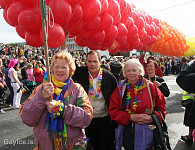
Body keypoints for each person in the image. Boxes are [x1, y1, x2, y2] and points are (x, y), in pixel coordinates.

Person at [20, 51, 93, 150]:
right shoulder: (42, 88)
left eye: (64, 67)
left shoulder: (77, 89)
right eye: (57, 67)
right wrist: (41, 97)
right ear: (52, 68)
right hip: (44, 146)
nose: (60, 70)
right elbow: (27, 118)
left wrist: (62, 110)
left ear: (70, 69)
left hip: (72, 146)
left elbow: (86, 118)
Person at [109, 59, 166, 150]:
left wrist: (152, 117)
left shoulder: (150, 87)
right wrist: (129, 117)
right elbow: (113, 111)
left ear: (140, 71)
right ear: (125, 73)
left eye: (134, 70)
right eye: (128, 70)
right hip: (127, 134)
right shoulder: (120, 89)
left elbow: (161, 107)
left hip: (148, 135)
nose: (131, 73)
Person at [73, 50, 118, 150]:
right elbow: (70, 66)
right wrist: (63, 46)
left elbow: (116, 99)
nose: (92, 64)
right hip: (85, 120)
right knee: (85, 147)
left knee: (103, 146)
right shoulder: (81, 73)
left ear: (100, 62)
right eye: (89, 61)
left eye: (95, 61)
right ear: (86, 62)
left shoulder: (109, 77)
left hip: (103, 120)